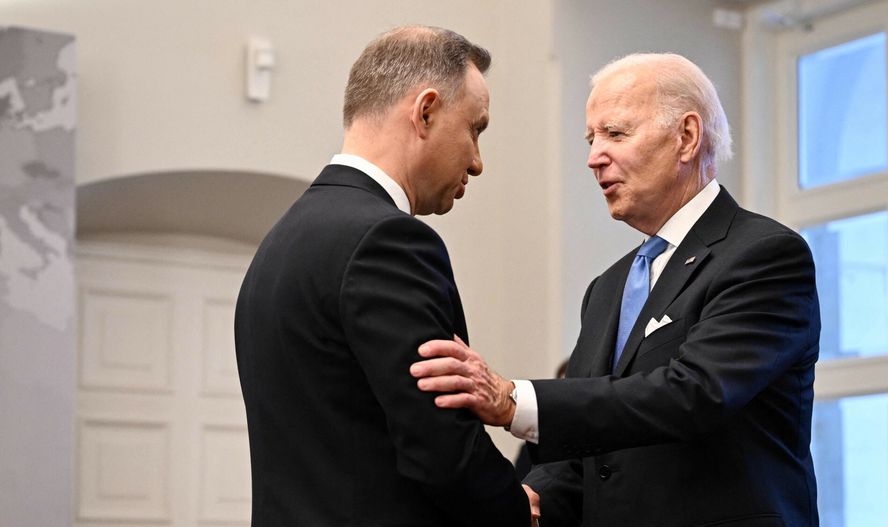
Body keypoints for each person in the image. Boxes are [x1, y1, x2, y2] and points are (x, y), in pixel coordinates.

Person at [411, 52, 821, 527]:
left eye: (616, 134)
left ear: (687, 137)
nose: (593, 158)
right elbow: (592, 450)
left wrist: (512, 401)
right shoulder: (607, 288)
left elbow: (693, 395)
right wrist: (528, 499)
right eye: (592, 139)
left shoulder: (764, 254)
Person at [234, 26, 532, 526]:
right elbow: (438, 445)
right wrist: (516, 508)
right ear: (426, 111)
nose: (477, 162)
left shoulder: (282, 241)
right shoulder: (386, 240)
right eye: (475, 129)